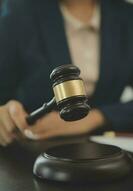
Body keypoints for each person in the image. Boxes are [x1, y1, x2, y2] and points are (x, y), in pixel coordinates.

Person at [0, 0, 133, 146]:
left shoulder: (126, 15)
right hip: (34, 146)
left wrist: (97, 117)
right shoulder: (19, 11)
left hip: (106, 147)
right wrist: (5, 113)